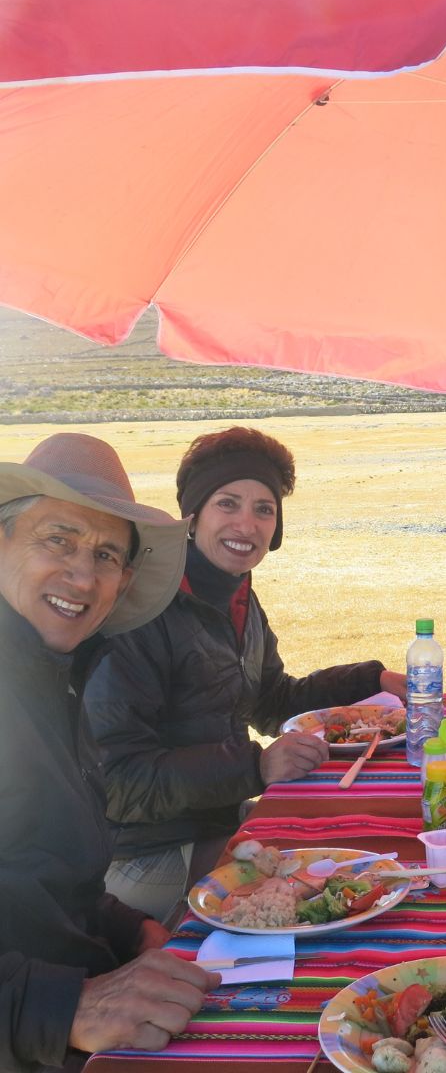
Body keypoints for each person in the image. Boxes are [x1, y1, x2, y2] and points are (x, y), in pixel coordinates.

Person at [85, 426, 405, 923]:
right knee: (317, 902)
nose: (247, 524)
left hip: (214, 823)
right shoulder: (143, 612)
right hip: (142, 856)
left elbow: (272, 702)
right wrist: (255, 768)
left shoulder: (235, 595)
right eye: (228, 503)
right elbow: (120, 781)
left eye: (264, 509)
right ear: (192, 516)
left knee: (354, 865)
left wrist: (373, 680)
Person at [0, 433, 217, 1070]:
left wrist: (128, 928)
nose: (82, 574)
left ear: (123, 582)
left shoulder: (53, 679)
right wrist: (66, 1008)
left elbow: (45, 873)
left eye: (104, 555)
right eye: (57, 539)